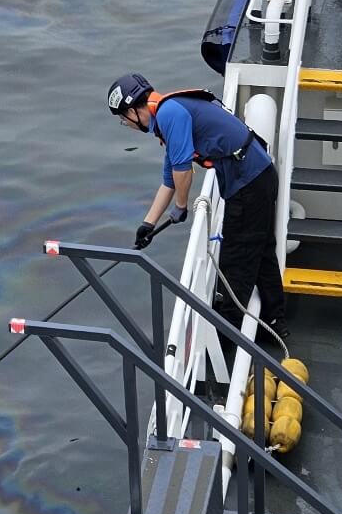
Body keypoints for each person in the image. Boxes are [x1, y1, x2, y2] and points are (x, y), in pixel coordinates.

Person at [107, 72, 289, 339]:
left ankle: (227, 334)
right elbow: (169, 179)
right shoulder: (168, 114)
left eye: (124, 119)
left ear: (134, 110)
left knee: (236, 258)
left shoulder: (170, 115)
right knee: (260, 251)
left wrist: (182, 206)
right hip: (257, 176)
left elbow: (183, 171)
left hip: (249, 184)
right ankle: (275, 320)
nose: (127, 124)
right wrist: (148, 223)